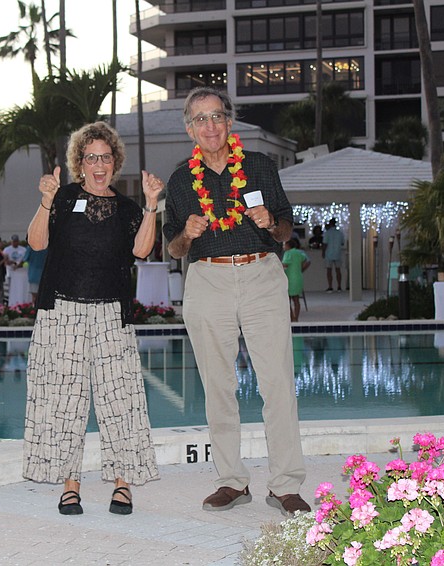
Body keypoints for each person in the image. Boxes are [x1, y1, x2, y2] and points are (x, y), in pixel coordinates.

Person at [162, 86, 310, 516]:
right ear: (190, 128)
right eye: (201, 119)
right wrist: (186, 234)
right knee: (219, 387)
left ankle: (285, 484)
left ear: (229, 122)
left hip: (262, 273)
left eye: (218, 116)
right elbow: (173, 248)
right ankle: (232, 481)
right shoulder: (179, 179)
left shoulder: (260, 166)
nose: (211, 125)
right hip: (207, 280)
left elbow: (286, 229)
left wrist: (272, 223)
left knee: (278, 382)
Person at [24, 121, 163, 516]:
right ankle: (70, 485)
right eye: (91, 158)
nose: (98, 165)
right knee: (64, 401)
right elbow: (36, 242)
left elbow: (141, 250)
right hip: (62, 312)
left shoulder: (128, 208)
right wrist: (46, 200)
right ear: (79, 163)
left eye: (105, 157)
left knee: (121, 399)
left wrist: (152, 205)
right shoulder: (64, 198)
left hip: (111, 313)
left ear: (114, 162)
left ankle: (123, 484)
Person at [282, 238, 311, 322]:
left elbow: (285, 263)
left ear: (288, 246)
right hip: (298, 277)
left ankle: (292, 317)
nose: (284, 247)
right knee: (296, 299)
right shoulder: (299, 253)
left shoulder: (288, 253)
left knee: (288, 300)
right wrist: (301, 268)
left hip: (289, 278)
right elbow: (306, 261)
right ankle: (296, 318)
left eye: (285, 245)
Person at [4, 234, 30, 306]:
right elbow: (6, 261)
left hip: (21, 272)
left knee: (21, 288)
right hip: (11, 272)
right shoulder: (7, 250)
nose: (15, 243)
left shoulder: (23, 249)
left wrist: (19, 265)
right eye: (13, 241)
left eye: (16, 241)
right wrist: (13, 263)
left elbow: (25, 260)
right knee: (11, 289)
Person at [322, 218, 345, 292]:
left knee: (329, 271)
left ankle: (330, 286)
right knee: (338, 270)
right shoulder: (340, 233)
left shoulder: (327, 233)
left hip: (329, 253)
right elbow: (342, 243)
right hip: (338, 253)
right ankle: (339, 286)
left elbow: (325, 243)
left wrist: (323, 252)